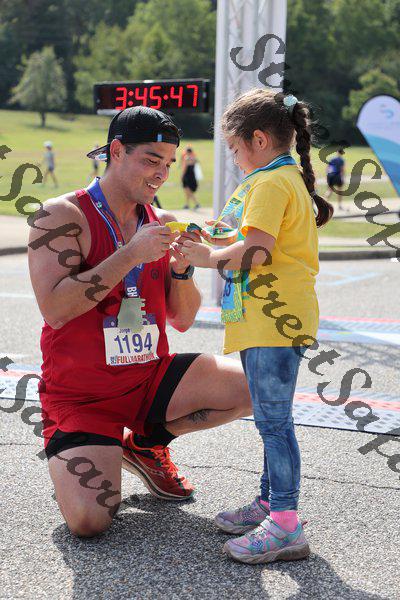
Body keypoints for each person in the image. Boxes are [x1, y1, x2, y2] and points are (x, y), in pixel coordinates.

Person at [28, 106, 252, 538]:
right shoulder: (59, 215)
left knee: (254, 386)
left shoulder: (161, 222)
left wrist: (182, 270)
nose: (162, 174)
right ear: (116, 151)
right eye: (151, 160)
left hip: (149, 378)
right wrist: (130, 254)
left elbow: (182, 319)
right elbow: (55, 308)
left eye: (168, 163)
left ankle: (146, 445)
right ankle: (93, 451)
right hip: (82, 396)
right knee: (90, 521)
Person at [181, 89, 333, 564]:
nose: (233, 157)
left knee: (273, 422)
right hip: (270, 317)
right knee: (272, 419)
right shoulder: (280, 177)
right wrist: (207, 237)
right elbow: (244, 236)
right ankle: (271, 504)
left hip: (274, 319)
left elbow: (257, 251)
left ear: (260, 140)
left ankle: (285, 522)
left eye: (234, 147)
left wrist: (205, 258)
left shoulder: (270, 184)